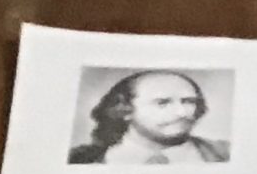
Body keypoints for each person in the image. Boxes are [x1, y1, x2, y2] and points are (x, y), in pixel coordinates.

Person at [69, 69, 229, 165]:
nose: (182, 113)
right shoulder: (79, 159)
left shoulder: (226, 153)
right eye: (163, 102)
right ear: (124, 109)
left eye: (189, 102)